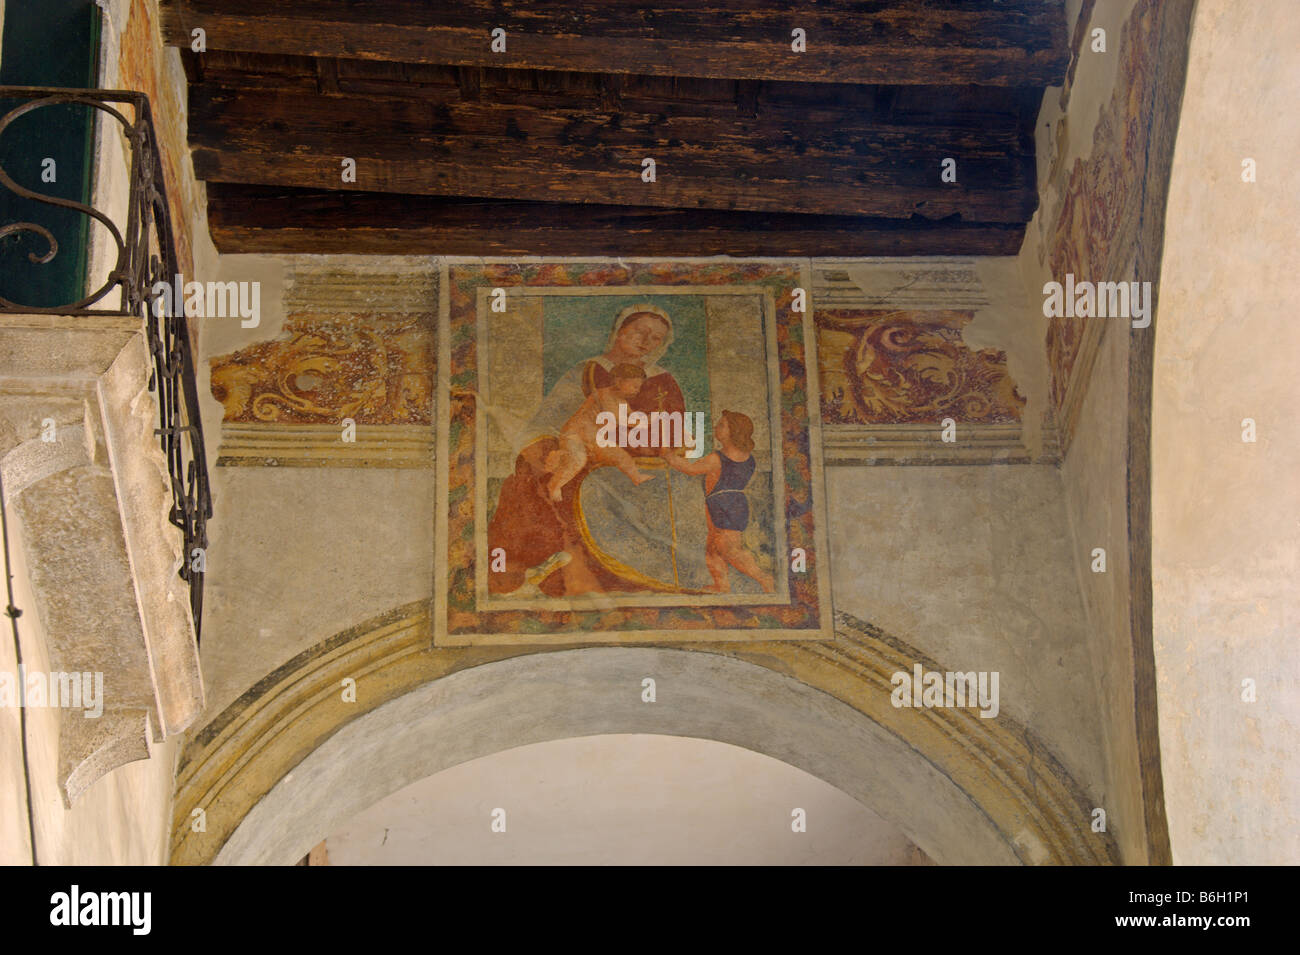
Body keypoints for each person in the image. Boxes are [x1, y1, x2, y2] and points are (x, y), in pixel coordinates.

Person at [487, 304, 695, 596]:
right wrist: (549, 450)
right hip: (584, 455)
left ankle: (628, 578)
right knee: (524, 484)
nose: (646, 342)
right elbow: (548, 421)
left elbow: (674, 429)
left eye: (656, 338)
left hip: (648, 464)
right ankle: (529, 570)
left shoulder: (663, 380)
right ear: (620, 331)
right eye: (640, 332)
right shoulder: (587, 370)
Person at [664, 410, 775, 594]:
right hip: (726, 504)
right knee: (713, 549)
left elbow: (691, 469)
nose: (716, 427)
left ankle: (764, 578)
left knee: (729, 549)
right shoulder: (747, 457)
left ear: (734, 431)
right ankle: (721, 585)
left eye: (722, 425)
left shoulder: (717, 458)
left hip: (726, 506)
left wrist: (669, 457)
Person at [544, 362, 654, 501]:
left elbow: (631, 417)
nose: (637, 390)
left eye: (639, 387)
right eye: (634, 385)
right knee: (578, 460)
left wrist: (648, 418)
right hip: (576, 434)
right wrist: (644, 422)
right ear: (619, 381)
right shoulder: (604, 395)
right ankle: (554, 485)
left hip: (594, 438)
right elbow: (617, 419)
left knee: (621, 456)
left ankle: (637, 478)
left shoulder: (622, 402)